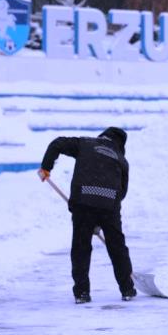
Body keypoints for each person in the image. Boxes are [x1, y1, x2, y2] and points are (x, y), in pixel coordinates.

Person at [38, 127, 136, 304]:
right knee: (117, 247)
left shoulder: (85, 143)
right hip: (109, 205)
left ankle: (82, 293)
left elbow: (57, 143)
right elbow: (122, 192)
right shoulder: (121, 159)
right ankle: (127, 288)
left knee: (81, 248)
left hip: (83, 202)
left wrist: (46, 167)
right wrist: (105, 215)